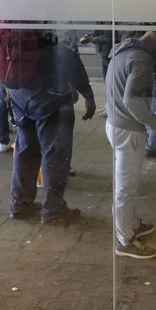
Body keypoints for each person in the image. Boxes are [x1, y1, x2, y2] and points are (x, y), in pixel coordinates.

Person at [9, 30, 96, 225]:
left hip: (19, 92)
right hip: (50, 95)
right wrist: (87, 93)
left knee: (25, 147)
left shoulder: (19, 11)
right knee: (56, 153)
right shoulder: (58, 18)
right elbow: (69, 59)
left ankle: (20, 204)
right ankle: (53, 209)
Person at [105, 31, 156, 259]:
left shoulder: (123, 51)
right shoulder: (142, 58)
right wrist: (155, 124)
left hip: (115, 124)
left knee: (128, 184)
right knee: (125, 188)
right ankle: (124, 239)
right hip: (128, 131)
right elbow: (132, 100)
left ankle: (132, 224)